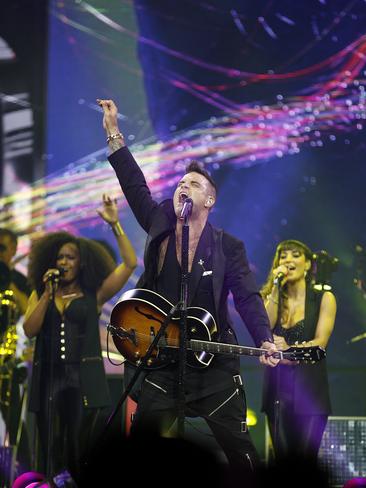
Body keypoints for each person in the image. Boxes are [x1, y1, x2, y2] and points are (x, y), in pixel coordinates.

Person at [97, 98, 279, 482]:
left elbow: (246, 296)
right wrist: (114, 132)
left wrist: (263, 337)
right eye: (181, 182)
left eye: (194, 184)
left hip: (212, 366)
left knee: (239, 451)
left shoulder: (228, 246)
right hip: (162, 358)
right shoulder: (161, 220)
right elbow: (134, 183)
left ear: (209, 201)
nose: (184, 185)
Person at [23, 194, 137, 483]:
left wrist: (115, 225)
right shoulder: (42, 292)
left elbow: (130, 263)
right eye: (60, 257)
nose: (64, 262)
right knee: (49, 446)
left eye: (70, 257)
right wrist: (47, 294)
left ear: (80, 262)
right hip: (48, 378)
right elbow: (29, 329)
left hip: (82, 379)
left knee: (77, 446)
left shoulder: (93, 295)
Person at [260, 239, 336, 464]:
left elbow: (320, 343)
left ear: (308, 264)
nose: (288, 260)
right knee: (282, 461)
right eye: (283, 256)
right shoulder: (272, 298)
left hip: (311, 393)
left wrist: (288, 349)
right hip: (277, 392)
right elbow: (263, 329)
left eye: (295, 255)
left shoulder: (324, 298)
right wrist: (275, 284)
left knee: (305, 463)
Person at [0, 228, 32, 478]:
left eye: (2, 248)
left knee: (13, 423)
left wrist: (7, 276)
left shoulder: (17, 280)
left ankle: (24, 477)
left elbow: (26, 311)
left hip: (7, 364)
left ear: (12, 250)